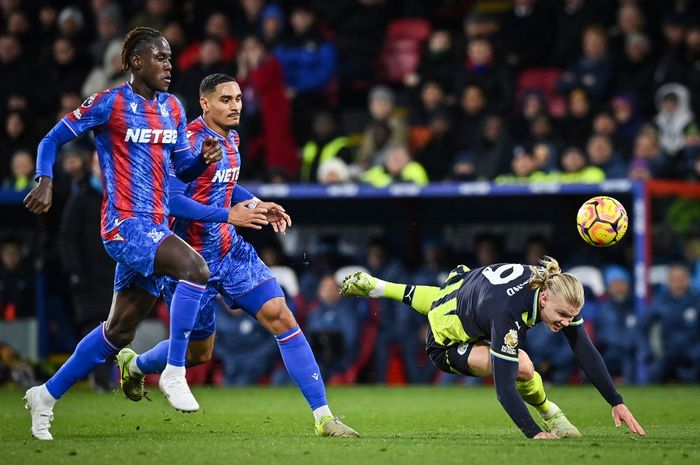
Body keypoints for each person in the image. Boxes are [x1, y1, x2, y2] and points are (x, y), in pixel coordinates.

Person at [116, 73, 359, 438]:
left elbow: (224, 185)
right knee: (199, 353)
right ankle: (135, 365)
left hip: (230, 252)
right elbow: (172, 200)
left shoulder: (232, 138)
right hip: (189, 261)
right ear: (205, 103)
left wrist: (256, 203)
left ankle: (324, 417)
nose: (235, 106)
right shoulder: (188, 143)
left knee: (281, 316)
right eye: (226, 100)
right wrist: (230, 214)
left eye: (239, 99)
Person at [22, 27, 223, 440]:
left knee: (118, 332)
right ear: (136, 62)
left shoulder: (172, 107)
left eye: (170, 58)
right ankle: (174, 371)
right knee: (196, 269)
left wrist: (202, 161)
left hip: (157, 227)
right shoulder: (109, 103)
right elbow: (52, 137)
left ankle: (45, 394)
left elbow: (181, 167)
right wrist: (44, 178)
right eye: (161, 58)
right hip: (125, 225)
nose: (169, 65)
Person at [340, 256, 646, 439]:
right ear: (544, 300)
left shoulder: (548, 285)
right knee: (522, 366)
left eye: (573, 316)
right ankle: (552, 414)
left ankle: (377, 286)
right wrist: (534, 432)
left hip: (463, 293)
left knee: (443, 301)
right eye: (563, 315)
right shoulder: (508, 313)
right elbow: (503, 387)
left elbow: (583, 347)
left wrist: (615, 400)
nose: (567, 322)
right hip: (446, 343)